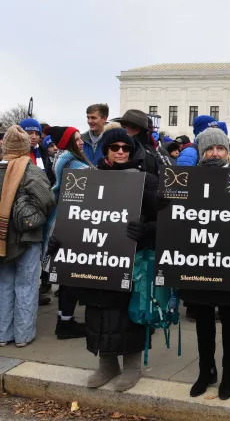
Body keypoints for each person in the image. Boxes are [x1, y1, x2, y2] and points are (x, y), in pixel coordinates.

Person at [48, 127, 159, 392]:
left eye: (126, 148)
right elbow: (74, 215)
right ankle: (107, 364)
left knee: (127, 315)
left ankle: (133, 366)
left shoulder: (147, 180)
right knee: (98, 312)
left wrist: (146, 230)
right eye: (115, 148)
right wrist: (60, 240)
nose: (121, 152)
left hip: (130, 261)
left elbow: (164, 220)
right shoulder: (90, 179)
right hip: (96, 259)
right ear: (106, 151)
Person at [181, 128, 230, 401]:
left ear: (228, 152)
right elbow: (178, 218)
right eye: (209, 149)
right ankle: (205, 369)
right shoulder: (189, 179)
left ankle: (229, 371)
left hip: (229, 259)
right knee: (202, 317)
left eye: (220, 149)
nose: (215, 153)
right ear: (201, 153)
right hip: (199, 259)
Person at [0, 125, 55, 348]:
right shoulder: (30, 170)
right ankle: (23, 335)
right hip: (28, 236)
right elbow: (48, 200)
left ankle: (3, 334)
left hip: (2, 238)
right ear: (24, 147)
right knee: (26, 284)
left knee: (4, 285)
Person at [44, 126, 92, 339]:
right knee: (71, 274)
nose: (81, 142)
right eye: (77, 139)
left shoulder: (63, 158)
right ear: (68, 142)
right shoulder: (73, 163)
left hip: (64, 218)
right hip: (71, 220)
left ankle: (65, 320)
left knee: (66, 275)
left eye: (81, 138)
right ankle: (65, 323)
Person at [114, 110, 172, 174]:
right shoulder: (117, 148)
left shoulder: (144, 154)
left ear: (136, 129)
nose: (121, 130)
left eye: (124, 127)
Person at [19, 118, 54, 185]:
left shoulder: (43, 154)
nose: (34, 137)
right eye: (30, 133)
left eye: (37, 134)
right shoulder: (12, 153)